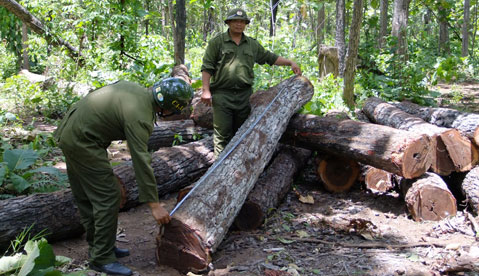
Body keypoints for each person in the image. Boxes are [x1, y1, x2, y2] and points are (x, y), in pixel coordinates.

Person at [54, 77, 194, 276]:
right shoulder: (141, 116)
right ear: (168, 107)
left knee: (86, 195)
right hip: (83, 141)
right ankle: (102, 259)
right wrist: (154, 204)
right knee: (109, 196)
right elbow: (140, 160)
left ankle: (102, 246)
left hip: (71, 131)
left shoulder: (136, 90)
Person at [200, 8, 302, 157]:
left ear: (246, 24)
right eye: (235, 21)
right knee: (222, 136)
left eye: (242, 22)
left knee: (242, 134)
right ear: (229, 22)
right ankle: (219, 172)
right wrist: (205, 90)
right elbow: (207, 67)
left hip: (244, 97)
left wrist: (290, 62)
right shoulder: (218, 42)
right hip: (222, 95)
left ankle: (236, 170)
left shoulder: (251, 44)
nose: (239, 24)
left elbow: (269, 57)